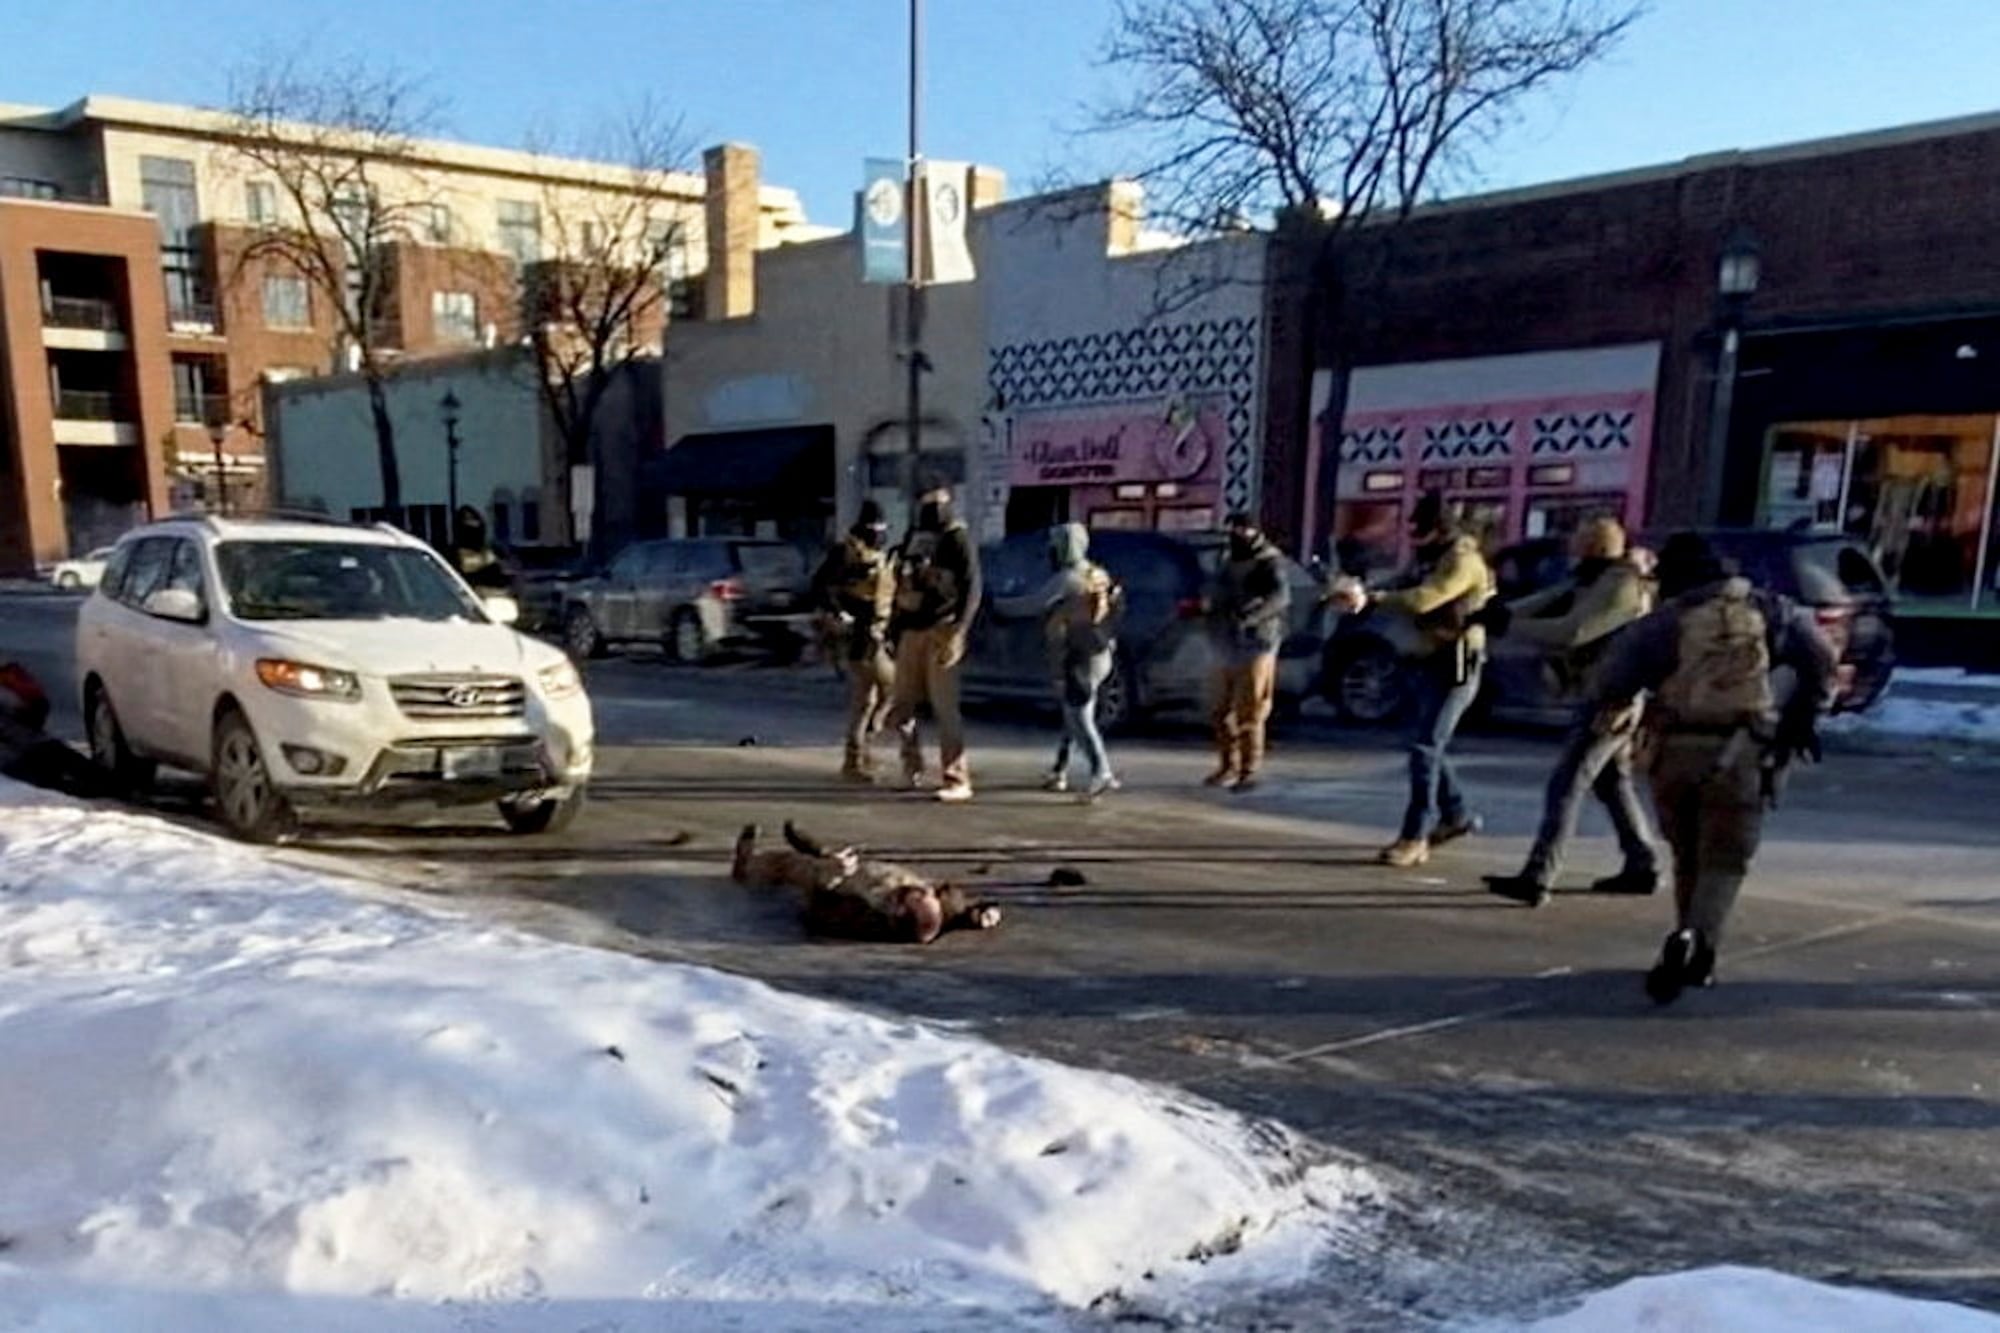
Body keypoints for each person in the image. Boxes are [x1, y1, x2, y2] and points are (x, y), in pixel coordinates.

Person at [1585, 532, 1836, 1005]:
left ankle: (1690, 940)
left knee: (1688, 855)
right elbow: (1821, 662)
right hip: (1744, 751)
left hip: (1675, 750)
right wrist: (1800, 720)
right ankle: (1697, 942)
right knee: (1725, 861)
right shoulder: (1771, 610)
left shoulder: (1665, 621)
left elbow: (1611, 680)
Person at [1483, 517, 1663, 907]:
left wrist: (1509, 624)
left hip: (1611, 699)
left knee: (1566, 785)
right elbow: (1549, 599)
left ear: (1595, 549)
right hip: (1608, 694)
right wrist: (1497, 614)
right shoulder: (1599, 579)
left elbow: (1574, 630)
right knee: (1612, 783)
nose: (1571, 552)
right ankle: (1641, 862)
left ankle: (1538, 876)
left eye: (1578, 544)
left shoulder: (1620, 585)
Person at [1336, 492, 1494, 867]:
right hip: (1427, 658)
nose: (1414, 541)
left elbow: (1426, 598)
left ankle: (1415, 835)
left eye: (1420, 533)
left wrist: (1374, 599)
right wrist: (1358, 591)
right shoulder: (1431, 556)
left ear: (1440, 530)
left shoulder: (1462, 560)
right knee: (1424, 745)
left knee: (1425, 748)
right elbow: (1401, 581)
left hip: (1457, 663)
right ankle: (1455, 815)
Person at [995, 522, 1124, 800]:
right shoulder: (1097, 573)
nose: (1052, 551)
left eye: (1056, 546)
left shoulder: (1068, 578)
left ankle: (1101, 771)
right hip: (1101, 652)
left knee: (1079, 717)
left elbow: (1034, 604)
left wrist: (998, 605)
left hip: (1079, 655)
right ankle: (1059, 769)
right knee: (1072, 713)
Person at [882, 485, 984, 803]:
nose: (933, 509)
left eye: (938, 502)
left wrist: (959, 630)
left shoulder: (957, 538)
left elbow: (972, 588)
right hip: (910, 630)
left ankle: (956, 777)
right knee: (903, 705)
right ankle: (910, 766)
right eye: (926, 502)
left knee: (944, 707)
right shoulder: (914, 535)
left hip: (941, 628)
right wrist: (893, 628)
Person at [810, 500, 895, 783]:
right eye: (874, 527)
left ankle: (859, 755)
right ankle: (857, 756)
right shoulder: (845, 552)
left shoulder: (880, 553)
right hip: (857, 634)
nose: (878, 533)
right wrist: (839, 613)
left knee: (873, 698)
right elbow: (819, 585)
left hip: (878, 631)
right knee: (880, 692)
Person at [1205, 513, 1292, 792]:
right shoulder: (1228, 559)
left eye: (1241, 529)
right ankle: (1226, 766)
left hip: (1257, 644)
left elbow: (1280, 597)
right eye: (1232, 528)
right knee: (1219, 711)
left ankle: (1248, 771)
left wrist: (1251, 617)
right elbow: (1216, 591)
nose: (1235, 534)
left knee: (1250, 711)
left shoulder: (1269, 562)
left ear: (1254, 531)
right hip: (1224, 642)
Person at [451, 506, 511, 591]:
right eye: (467, 520)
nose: (472, 524)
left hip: (496, 597)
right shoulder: (451, 554)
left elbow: (508, 573)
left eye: (474, 519)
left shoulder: (494, 550)